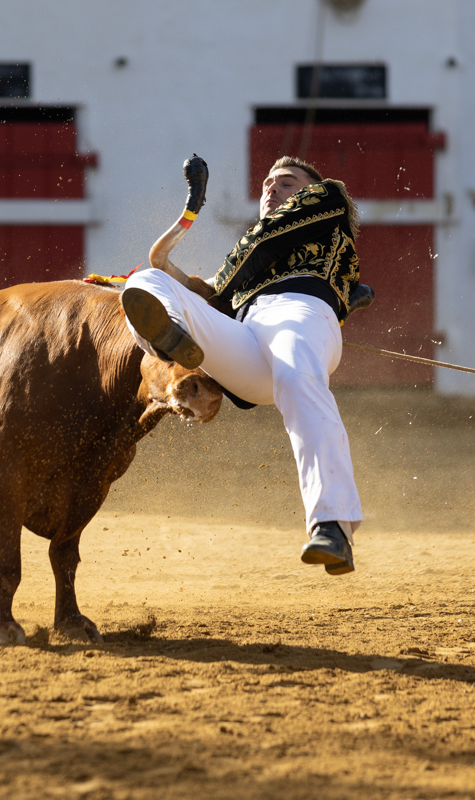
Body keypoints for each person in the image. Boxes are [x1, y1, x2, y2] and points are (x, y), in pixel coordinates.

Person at [122, 156, 367, 574]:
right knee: (147, 280)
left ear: (310, 188)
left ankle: (332, 524)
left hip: (300, 312)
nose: (272, 187)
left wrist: (214, 288)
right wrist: (198, 288)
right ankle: (170, 343)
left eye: (287, 182)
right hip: (247, 347)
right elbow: (221, 292)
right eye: (269, 183)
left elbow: (257, 248)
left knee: (296, 375)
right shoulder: (247, 267)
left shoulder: (328, 198)